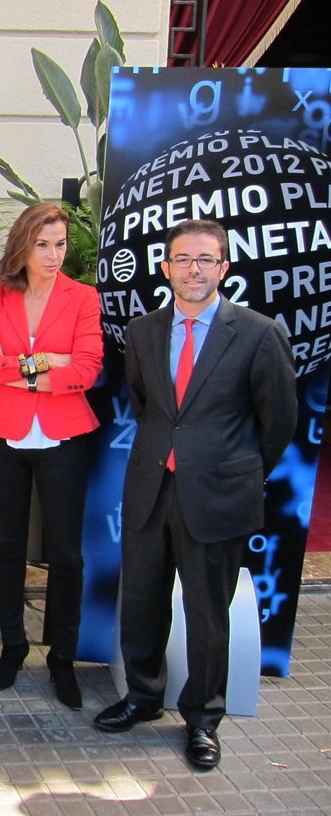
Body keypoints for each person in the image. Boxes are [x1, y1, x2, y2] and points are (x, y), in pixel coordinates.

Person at [94, 219, 296, 770]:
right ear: (166, 268)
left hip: (217, 494)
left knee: (207, 613)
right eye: (183, 259)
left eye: (206, 259)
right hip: (151, 486)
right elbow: (147, 405)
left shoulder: (258, 333)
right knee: (142, 600)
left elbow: (278, 420)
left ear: (223, 267)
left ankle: (203, 719)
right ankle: (143, 695)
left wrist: (236, 470)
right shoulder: (143, 331)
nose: (194, 269)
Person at [0, 202, 103, 710]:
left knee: (66, 553)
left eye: (60, 244)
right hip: (2, 435)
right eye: (42, 244)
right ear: (22, 246)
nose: (53, 254)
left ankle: (62, 656)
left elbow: (86, 369)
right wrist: (46, 364)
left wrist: (16, 367)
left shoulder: (82, 297)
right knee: (7, 546)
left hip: (64, 436)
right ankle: (13, 646)